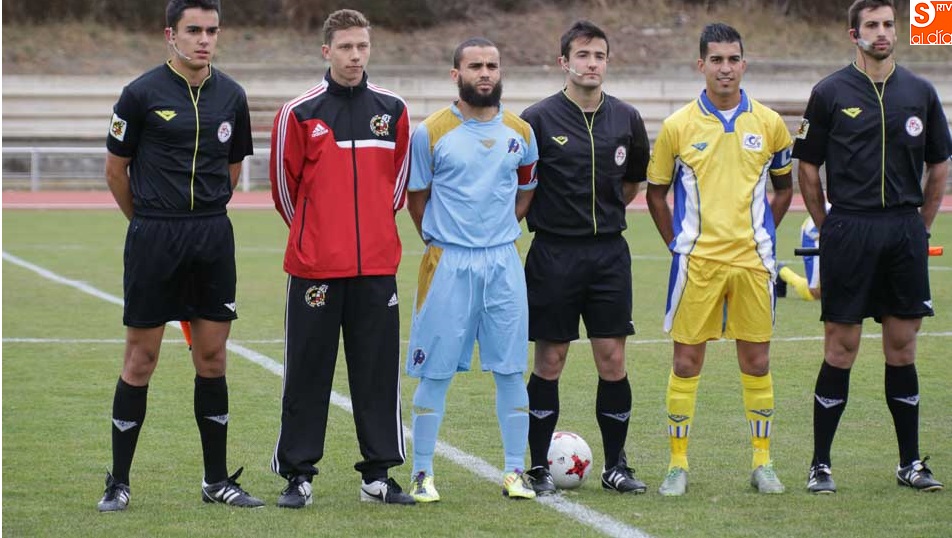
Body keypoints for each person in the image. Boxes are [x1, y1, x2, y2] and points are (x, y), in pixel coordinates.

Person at [98, 0, 262, 511]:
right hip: (155, 237)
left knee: (212, 359)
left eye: (212, 30)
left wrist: (202, 217)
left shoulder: (232, 95)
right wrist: (147, 223)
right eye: (194, 30)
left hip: (211, 237)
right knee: (140, 359)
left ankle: (216, 482)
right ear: (171, 34)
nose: (204, 39)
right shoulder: (140, 94)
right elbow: (114, 172)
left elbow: (233, 170)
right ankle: (118, 482)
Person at [793, 0, 950, 494]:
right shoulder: (829, 91)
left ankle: (909, 464)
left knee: (902, 350)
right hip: (850, 229)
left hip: (903, 229)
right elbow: (808, 168)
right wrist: (828, 226)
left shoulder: (920, 92)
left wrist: (920, 224)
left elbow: (940, 164)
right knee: (842, 349)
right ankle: (820, 465)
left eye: (888, 24)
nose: (882, 33)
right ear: (852, 33)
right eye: (872, 26)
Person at [268, 9, 415, 507]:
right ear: (326, 51)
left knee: (377, 372)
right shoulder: (299, 112)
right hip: (315, 269)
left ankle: (377, 476)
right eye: (346, 47)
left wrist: (370, 236)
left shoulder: (393, 110)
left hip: (376, 269)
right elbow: (284, 190)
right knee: (308, 371)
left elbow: (395, 187)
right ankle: (298, 475)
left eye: (363, 47)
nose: (356, 56)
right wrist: (316, 238)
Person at [645, 22, 794, 496]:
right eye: (716, 60)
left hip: (753, 263)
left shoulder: (769, 123)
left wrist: (763, 234)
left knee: (756, 360)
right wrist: (677, 243)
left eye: (733, 59)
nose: (725, 68)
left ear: (743, 64)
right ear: (701, 65)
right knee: (687, 361)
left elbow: (785, 188)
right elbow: (655, 193)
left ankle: (763, 464)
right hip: (697, 264)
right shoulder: (678, 125)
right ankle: (676, 465)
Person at [518, 20, 650, 496]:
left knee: (612, 359)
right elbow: (522, 186)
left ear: (606, 62)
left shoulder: (627, 118)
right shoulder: (537, 119)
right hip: (554, 253)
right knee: (550, 358)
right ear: (564, 62)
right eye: (583, 56)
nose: (592, 64)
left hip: (609, 254)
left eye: (599, 56)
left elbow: (633, 182)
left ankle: (617, 465)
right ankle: (536, 467)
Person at [404, 37, 538, 503]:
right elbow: (416, 198)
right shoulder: (431, 132)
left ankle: (515, 471)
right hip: (448, 262)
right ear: (455, 74)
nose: (485, 73)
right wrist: (443, 237)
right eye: (475, 66)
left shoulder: (520, 130)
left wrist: (501, 229)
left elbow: (526, 189)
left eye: (493, 66)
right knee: (435, 371)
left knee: (510, 368)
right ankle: (422, 473)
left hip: (503, 261)